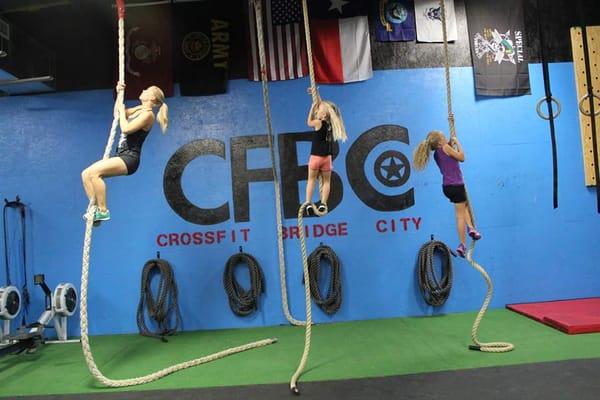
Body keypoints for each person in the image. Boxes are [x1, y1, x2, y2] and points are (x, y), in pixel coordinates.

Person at [81, 83, 168, 223]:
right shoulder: (140, 109)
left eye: (147, 90)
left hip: (129, 158)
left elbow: (126, 128)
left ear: (152, 97)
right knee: (85, 174)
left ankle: (103, 211)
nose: (143, 90)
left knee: (95, 174)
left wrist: (122, 113)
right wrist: (119, 95)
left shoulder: (148, 115)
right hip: (121, 155)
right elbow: (117, 115)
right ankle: (95, 212)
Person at [413, 130, 481, 257]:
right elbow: (462, 157)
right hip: (457, 185)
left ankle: (471, 228)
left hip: (447, 188)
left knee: (464, 205)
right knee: (460, 215)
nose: (446, 138)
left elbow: (448, 151)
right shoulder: (446, 147)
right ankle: (462, 244)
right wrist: (457, 142)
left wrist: (451, 138)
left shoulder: (437, 154)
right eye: (443, 137)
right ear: (440, 143)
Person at [304, 87, 347, 215]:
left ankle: (308, 203)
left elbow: (308, 122)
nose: (318, 109)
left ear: (323, 115)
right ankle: (323, 203)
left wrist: (312, 108)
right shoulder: (332, 125)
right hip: (326, 158)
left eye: (319, 110)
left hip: (315, 158)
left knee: (311, 180)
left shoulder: (318, 123)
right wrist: (317, 94)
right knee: (327, 181)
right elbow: (322, 105)